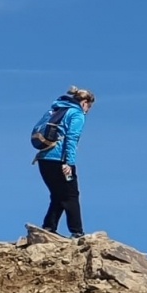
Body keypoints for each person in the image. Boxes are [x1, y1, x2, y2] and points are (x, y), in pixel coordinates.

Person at [33, 87, 96, 237]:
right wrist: (69, 163)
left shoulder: (54, 110)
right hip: (60, 160)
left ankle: (49, 227)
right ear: (85, 102)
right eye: (89, 107)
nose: (88, 110)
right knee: (71, 195)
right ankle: (77, 232)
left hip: (43, 158)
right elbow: (72, 139)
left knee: (58, 194)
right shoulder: (76, 114)